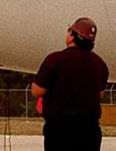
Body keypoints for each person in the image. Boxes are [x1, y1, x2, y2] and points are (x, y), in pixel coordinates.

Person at [30, 17, 110, 151]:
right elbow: (100, 94)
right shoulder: (99, 63)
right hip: (89, 130)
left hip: (59, 130)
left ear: (72, 36)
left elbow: (37, 91)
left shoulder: (55, 59)